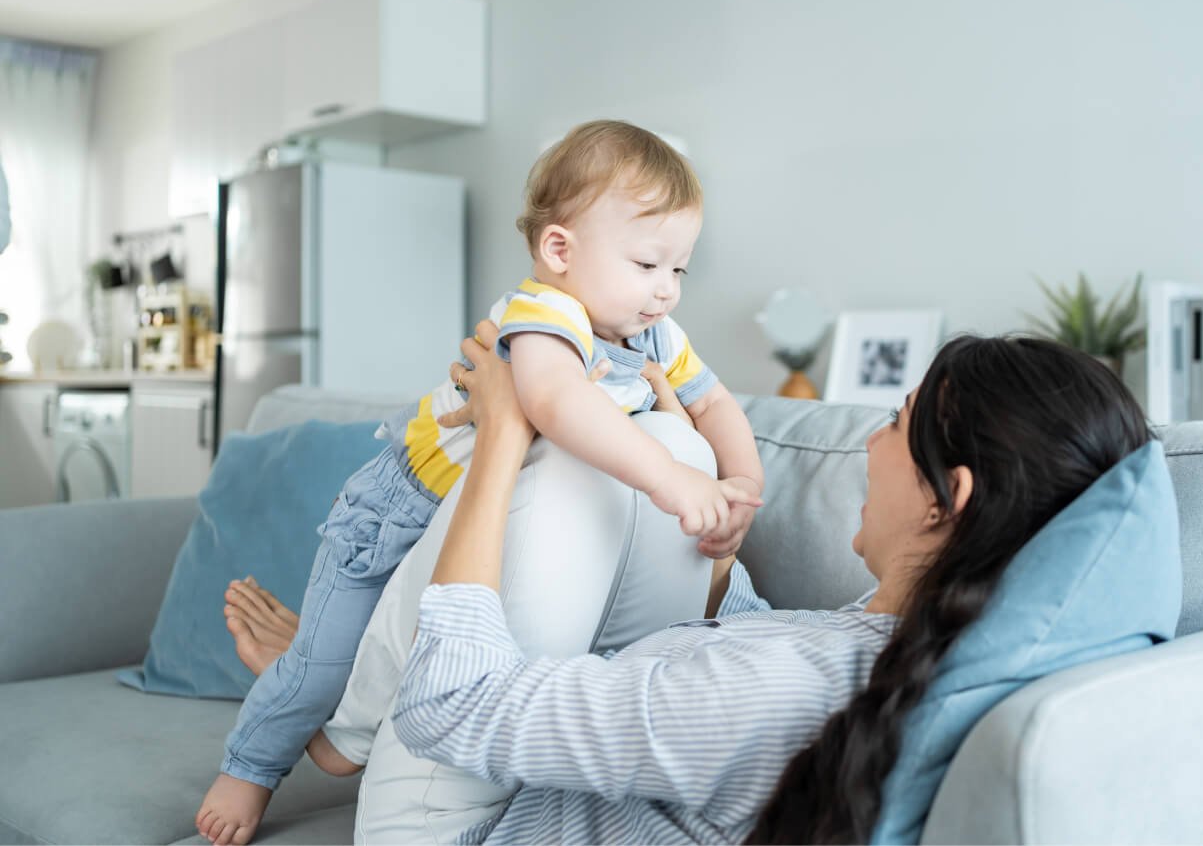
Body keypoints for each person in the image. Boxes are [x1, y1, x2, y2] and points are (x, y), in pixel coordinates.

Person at [220, 321, 1152, 843]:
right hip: (546, 759)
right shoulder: (887, 651)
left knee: (591, 455)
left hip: (445, 830)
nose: (870, 440)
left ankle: (334, 707)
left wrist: (506, 432)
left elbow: (452, 708)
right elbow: (728, 666)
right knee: (667, 445)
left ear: (950, 499)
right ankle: (334, 667)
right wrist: (707, 527)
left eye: (895, 422)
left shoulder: (790, 690)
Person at [195, 121, 766, 846]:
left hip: (473, 520)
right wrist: (675, 481)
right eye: (649, 264)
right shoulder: (541, 317)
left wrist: (740, 478)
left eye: (679, 270)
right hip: (398, 508)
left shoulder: (652, 336)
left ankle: (342, 739)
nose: (666, 292)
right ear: (560, 250)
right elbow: (556, 404)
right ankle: (247, 768)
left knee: (388, 650)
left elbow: (714, 403)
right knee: (319, 665)